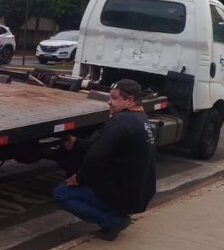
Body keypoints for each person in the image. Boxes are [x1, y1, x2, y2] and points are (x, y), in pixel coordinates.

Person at [53, 78, 156, 241]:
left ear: (130, 100)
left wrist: (78, 178)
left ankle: (113, 220)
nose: (109, 102)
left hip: (120, 194)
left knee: (61, 194)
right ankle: (116, 213)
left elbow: (97, 155)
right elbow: (101, 143)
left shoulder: (121, 122)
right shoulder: (140, 119)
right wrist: (77, 143)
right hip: (135, 194)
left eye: (114, 98)